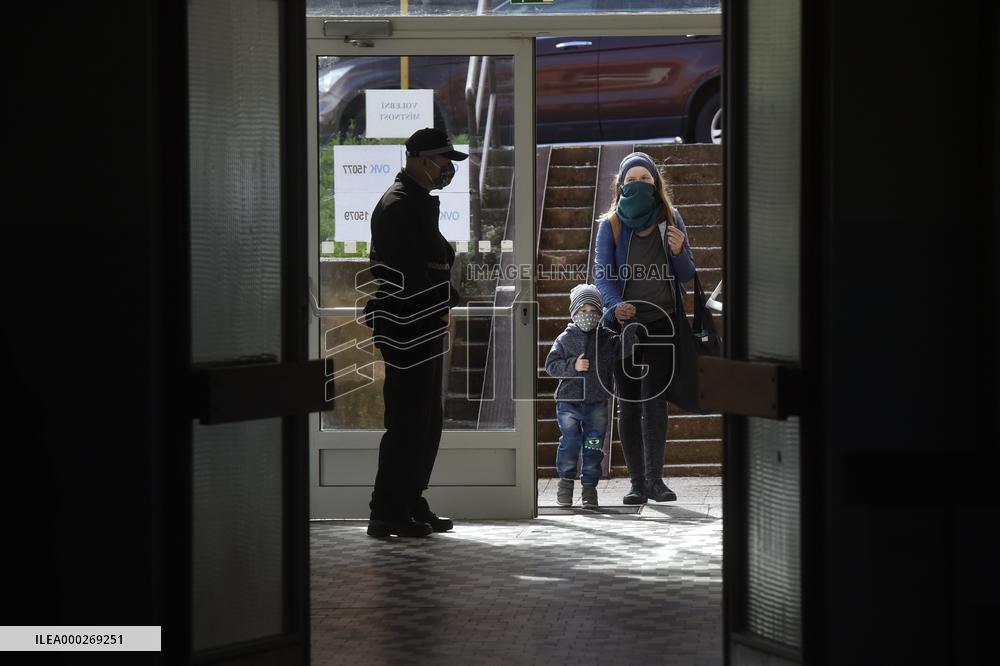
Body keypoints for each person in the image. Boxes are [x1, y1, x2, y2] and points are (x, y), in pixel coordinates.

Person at [362, 127, 466, 538]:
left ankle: (409, 499)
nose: (446, 169)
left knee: (426, 419)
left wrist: (442, 305)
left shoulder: (415, 201)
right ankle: (387, 510)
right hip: (408, 326)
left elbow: (430, 264)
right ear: (422, 159)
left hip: (421, 323)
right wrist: (440, 305)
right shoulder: (399, 205)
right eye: (443, 161)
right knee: (407, 420)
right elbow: (407, 273)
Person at [593, 151, 697, 505]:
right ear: (621, 185)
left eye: (645, 179)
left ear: (657, 184)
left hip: (663, 323)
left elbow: (686, 276)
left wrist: (681, 251)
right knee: (630, 403)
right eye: (632, 180)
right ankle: (636, 483)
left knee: (655, 402)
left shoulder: (672, 218)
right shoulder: (611, 225)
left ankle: (656, 480)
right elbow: (602, 276)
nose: (639, 184)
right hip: (626, 326)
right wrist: (613, 306)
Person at [543, 284, 633, 509]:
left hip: (597, 404)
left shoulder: (606, 338)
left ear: (600, 313)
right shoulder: (565, 338)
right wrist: (574, 365)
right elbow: (551, 366)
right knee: (570, 442)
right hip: (569, 403)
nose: (588, 316)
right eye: (582, 311)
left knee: (593, 445)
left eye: (593, 311)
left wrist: (629, 327)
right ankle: (565, 484)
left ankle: (589, 489)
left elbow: (625, 348)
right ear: (574, 312)